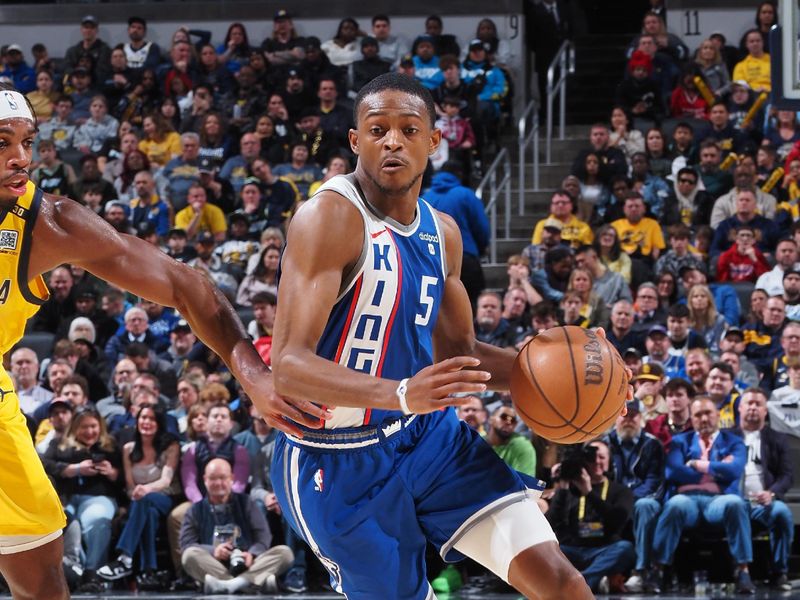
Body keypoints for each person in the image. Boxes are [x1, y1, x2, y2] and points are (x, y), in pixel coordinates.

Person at [269, 73, 622, 599]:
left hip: (428, 441)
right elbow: (288, 365)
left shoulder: (444, 234)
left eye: (409, 129)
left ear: (435, 141)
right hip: (335, 457)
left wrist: (594, 375)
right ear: (355, 141)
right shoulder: (329, 216)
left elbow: (461, 356)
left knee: (563, 584)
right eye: (378, 129)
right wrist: (401, 393)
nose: (393, 141)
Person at [0, 84, 322, 600]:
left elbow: (183, 284)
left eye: (27, 142)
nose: (20, 158)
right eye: (2, 143)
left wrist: (252, 372)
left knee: (41, 580)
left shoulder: (50, 225)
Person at [650, 397, 755, 594]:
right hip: (687, 499)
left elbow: (734, 470)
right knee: (674, 505)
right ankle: (657, 570)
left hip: (719, 500)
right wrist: (717, 470)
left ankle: (743, 571)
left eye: (708, 413)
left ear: (717, 415)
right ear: (692, 418)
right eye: (698, 415)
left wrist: (697, 465)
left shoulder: (734, 442)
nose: (704, 418)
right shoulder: (680, 441)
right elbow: (673, 472)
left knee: (736, 503)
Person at [179, 458, 294, 594]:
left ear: (232, 478)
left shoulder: (246, 502)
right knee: (189, 555)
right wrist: (213, 551)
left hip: (249, 563)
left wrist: (251, 554)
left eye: (223, 478)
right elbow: (186, 544)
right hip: (215, 565)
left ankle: (227, 585)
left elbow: (263, 537)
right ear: (205, 479)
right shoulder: (195, 510)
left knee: (285, 553)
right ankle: (251, 583)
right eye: (213, 478)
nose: (218, 483)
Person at [96, 403, 181, 584]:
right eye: (143, 418)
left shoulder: (171, 446)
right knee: (147, 512)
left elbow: (166, 481)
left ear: (159, 423)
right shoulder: (128, 449)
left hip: (165, 498)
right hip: (141, 502)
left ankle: (125, 558)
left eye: (151, 418)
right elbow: (129, 486)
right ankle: (148, 571)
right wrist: (136, 493)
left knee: (144, 499)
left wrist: (146, 489)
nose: (146, 422)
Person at [547, 440, 636, 594]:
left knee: (625, 549)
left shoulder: (621, 491)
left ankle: (579, 582)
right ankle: (593, 581)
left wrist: (589, 492)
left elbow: (618, 521)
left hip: (604, 549)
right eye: (591, 457)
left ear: (609, 462)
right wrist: (561, 489)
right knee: (547, 551)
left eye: (601, 457)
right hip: (572, 550)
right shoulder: (569, 489)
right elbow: (551, 524)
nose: (596, 461)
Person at [736, 388, 795, 591]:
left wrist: (771, 493)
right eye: (749, 403)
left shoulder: (778, 439)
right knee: (733, 507)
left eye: (758, 404)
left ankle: (780, 572)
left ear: (765, 410)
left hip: (763, 503)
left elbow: (787, 475)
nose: (753, 407)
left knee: (781, 513)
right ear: (739, 408)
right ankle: (740, 573)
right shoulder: (727, 436)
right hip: (734, 502)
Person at [607, 402, 665, 594]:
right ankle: (606, 573)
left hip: (643, 499)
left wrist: (627, 499)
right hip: (613, 500)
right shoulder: (606, 443)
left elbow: (654, 482)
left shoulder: (652, 444)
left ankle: (641, 572)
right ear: (615, 418)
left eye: (633, 416)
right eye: (624, 415)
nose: (628, 420)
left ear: (641, 419)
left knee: (645, 506)